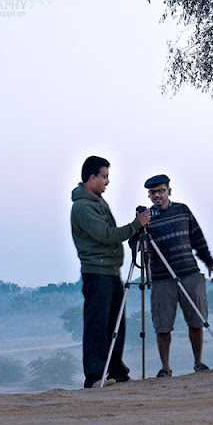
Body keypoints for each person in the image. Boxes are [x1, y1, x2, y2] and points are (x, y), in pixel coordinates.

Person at [70, 155, 151, 388]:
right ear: (92, 177)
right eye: (104, 177)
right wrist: (136, 225)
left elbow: (111, 233)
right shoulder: (82, 207)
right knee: (97, 324)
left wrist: (135, 229)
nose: (107, 181)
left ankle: (115, 370)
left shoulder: (97, 202)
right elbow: (106, 235)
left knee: (116, 323)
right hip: (96, 272)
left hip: (111, 270)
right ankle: (95, 376)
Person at [141, 174, 213, 377]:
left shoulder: (182, 210)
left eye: (161, 191)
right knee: (162, 325)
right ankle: (165, 368)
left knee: (196, 320)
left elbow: (197, 236)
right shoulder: (146, 218)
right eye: (153, 192)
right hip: (161, 277)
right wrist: (141, 228)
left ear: (169, 191)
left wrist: (209, 261)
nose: (157, 195)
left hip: (189, 273)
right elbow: (138, 248)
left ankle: (198, 362)